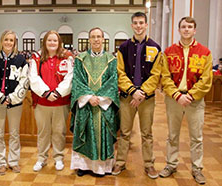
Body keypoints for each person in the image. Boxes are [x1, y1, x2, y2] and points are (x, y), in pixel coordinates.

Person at [159, 17, 213, 185]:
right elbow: (165, 76)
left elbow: (206, 79)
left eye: (190, 27)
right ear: (179, 29)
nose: (187, 29)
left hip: (194, 100)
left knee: (196, 137)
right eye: (183, 26)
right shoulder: (169, 51)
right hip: (174, 99)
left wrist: (190, 95)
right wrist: (176, 95)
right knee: (172, 135)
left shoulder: (205, 52)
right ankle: (171, 164)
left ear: (194, 30)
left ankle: (197, 168)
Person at [112, 12, 162, 179]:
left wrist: (142, 92)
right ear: (131, 25)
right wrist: (133, 91)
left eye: (141, 23)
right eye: (135, 23)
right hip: (127, 97)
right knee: (125, 132)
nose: (139, 26)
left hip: (147, 99)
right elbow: (120, 72)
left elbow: (156, 74)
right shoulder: (124, 48)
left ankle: (149, 164)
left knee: (147, 133)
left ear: (146, 25)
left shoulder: (155, 47)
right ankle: (120, 162)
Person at [70, 27, 119, 177]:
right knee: (85, 133)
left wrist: (101, 99)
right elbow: (77, 80)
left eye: (99, 37)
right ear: (89, 40)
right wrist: (88, 97)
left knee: (102, 134)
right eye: (93, 37)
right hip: (86, 103)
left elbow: (113, 81)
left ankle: (101, 167)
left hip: (104, 105)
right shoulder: (80, 59)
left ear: (103, 39)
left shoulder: (111, 59)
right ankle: (84, 166)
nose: (96, 39)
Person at [0, 30, 29, 175]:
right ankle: (0, 162)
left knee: (14, 133)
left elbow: (24, 82)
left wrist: (12, 98)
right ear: (2, 41)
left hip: (14, 103)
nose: (8, 42)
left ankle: (13, 162)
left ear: (15, 43)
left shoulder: (21, 60)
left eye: (11, 40)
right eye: (6, 39)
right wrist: (0, 97)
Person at [29, 30, 74, 172]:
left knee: (59, 132)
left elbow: (70, 77)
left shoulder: (67, 57)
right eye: (49, 40)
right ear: (45, 42)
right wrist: (46, 93)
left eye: (55, 40)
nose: (52, 43)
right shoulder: (37, 57)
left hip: (61, 102)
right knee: (43, 132)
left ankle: (58, 158)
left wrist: (58, 92)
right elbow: (33, 77)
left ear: (59, 42)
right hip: (42, 102)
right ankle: (41, 158)